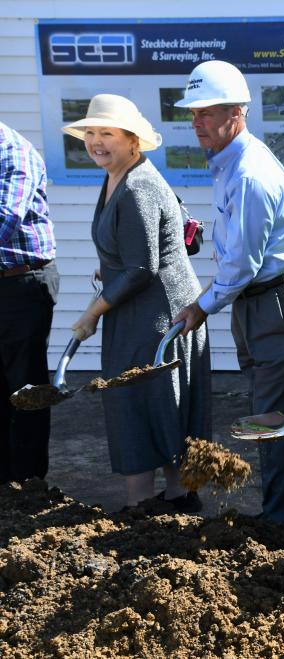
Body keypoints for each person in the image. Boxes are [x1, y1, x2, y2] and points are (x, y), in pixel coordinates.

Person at [172, 61, 284, 528]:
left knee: (276, 421)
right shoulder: (232, 162)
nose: (196, 121)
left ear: (237, 112)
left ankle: (283, 526)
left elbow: (242, 266)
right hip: (265, 302)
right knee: (276, 416)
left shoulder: (249, 173)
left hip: (278, 303)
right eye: (192, 113)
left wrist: (200, 305)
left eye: (207, 112)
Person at [62, 95, 210, 510]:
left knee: (141, 401)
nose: (96, 141)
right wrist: (106, 267)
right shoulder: (116, 176)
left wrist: (92, 312)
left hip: (159, 316)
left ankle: (150, 507)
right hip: (137, 311)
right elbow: (131, 251)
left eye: (107, 133)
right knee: (146, 402)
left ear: (133, 141)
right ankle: (168, 500)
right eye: (91, 132)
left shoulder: (139, 186)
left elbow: (143, 267)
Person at [0, 120, 58, 485]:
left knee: (25, 390)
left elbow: (4, 219)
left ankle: (28, 484)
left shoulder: (11, 151)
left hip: (20, 284)